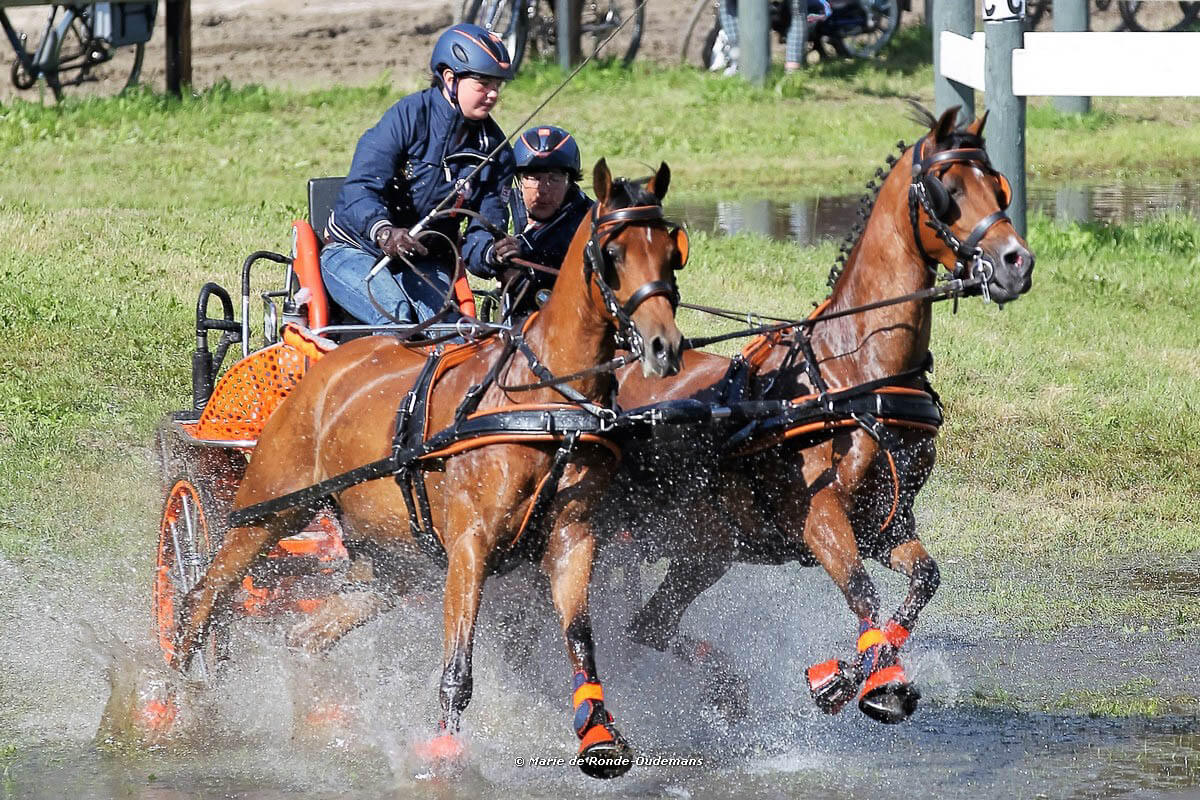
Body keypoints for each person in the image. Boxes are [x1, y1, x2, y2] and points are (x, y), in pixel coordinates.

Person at [320, 22, 516, 326]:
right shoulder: (408, 117)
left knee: (449, 329)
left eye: (497, 86)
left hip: (424, 260)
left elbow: (482, 230)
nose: (492, 94)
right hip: (355, 249)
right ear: (449, 78)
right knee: (396, 314)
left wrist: (492, 252)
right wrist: (384, 232)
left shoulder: (497, 152)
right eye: (483, 84)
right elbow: (360, 188)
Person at [474, 125, 593, 320]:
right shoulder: (502, 202)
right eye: (534, 178)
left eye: (554, 179)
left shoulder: (589, 219)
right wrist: (494, 256)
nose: (542, 190)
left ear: (570, 181)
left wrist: (525, 266)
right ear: (519, 180)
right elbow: (475, 240)